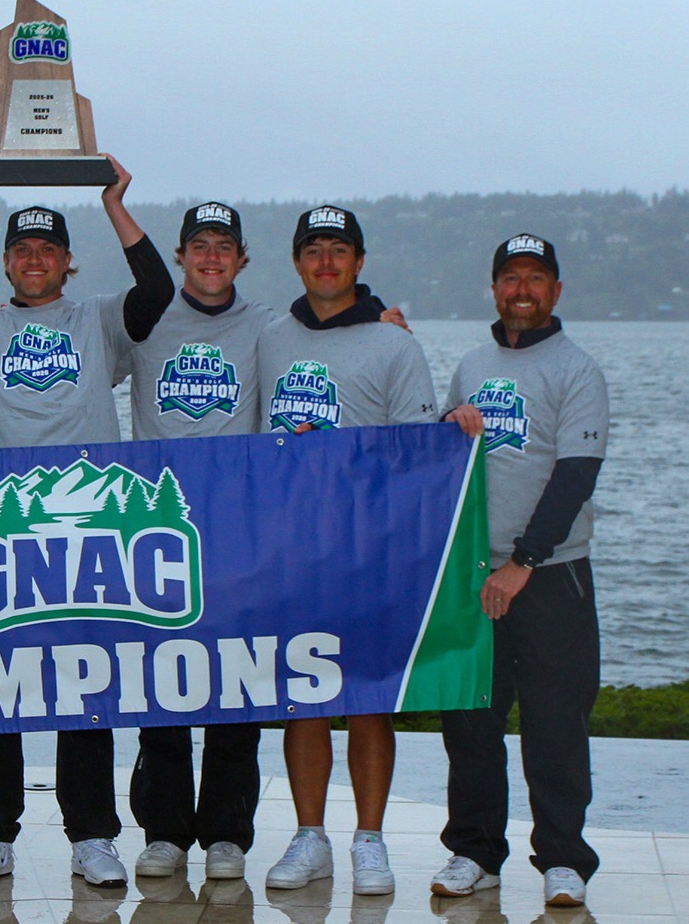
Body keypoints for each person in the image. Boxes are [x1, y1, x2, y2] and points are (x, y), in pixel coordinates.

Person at [0, 153, 174, 889]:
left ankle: (92, 834)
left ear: (68, 262)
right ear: (5, 262)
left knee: (85, 683)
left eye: (48, 249)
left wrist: (117, 201)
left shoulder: (98, 319)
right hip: (1, 529)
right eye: (22, 249)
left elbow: (157, 287)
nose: (35, 259)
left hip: (88, 527)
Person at [253, 205, 439, 898]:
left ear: (360, 262)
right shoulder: (270, 339)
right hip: (292, 549)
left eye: (339, 250)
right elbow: (245, 444)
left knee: (367, 700)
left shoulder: (396, 346)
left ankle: (369, 838)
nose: (326, 261)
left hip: (369, 550)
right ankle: (309, 836)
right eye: (313, 250)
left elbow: (419, 457)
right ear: (297, 262)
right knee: (303, 695)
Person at [430, 233, 609, 909]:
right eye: (510, 277)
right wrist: (452, 419)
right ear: (495, 288)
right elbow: (443, 452)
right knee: (470, 719)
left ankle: (564, 857)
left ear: (556, 291)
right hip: (474, 572)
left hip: (551, 574)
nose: (522, 289)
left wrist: (523, 562)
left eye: (536, 278)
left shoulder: (577, 370)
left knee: (555, 722)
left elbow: (574, 477)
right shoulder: (472, 362)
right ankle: (475, 851)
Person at [121, 202, 269, 883]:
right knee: (162, 681)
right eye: (200, 244)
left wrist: (381, 316)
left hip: (238, 530)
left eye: (225, 246)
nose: (212, 256)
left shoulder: (270, 326)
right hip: (157, 528)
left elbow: (328, 342)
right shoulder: (143, 320)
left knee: (236, 682)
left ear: (242, 258)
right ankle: (164, 828)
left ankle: (228, 830)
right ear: (180, 255)